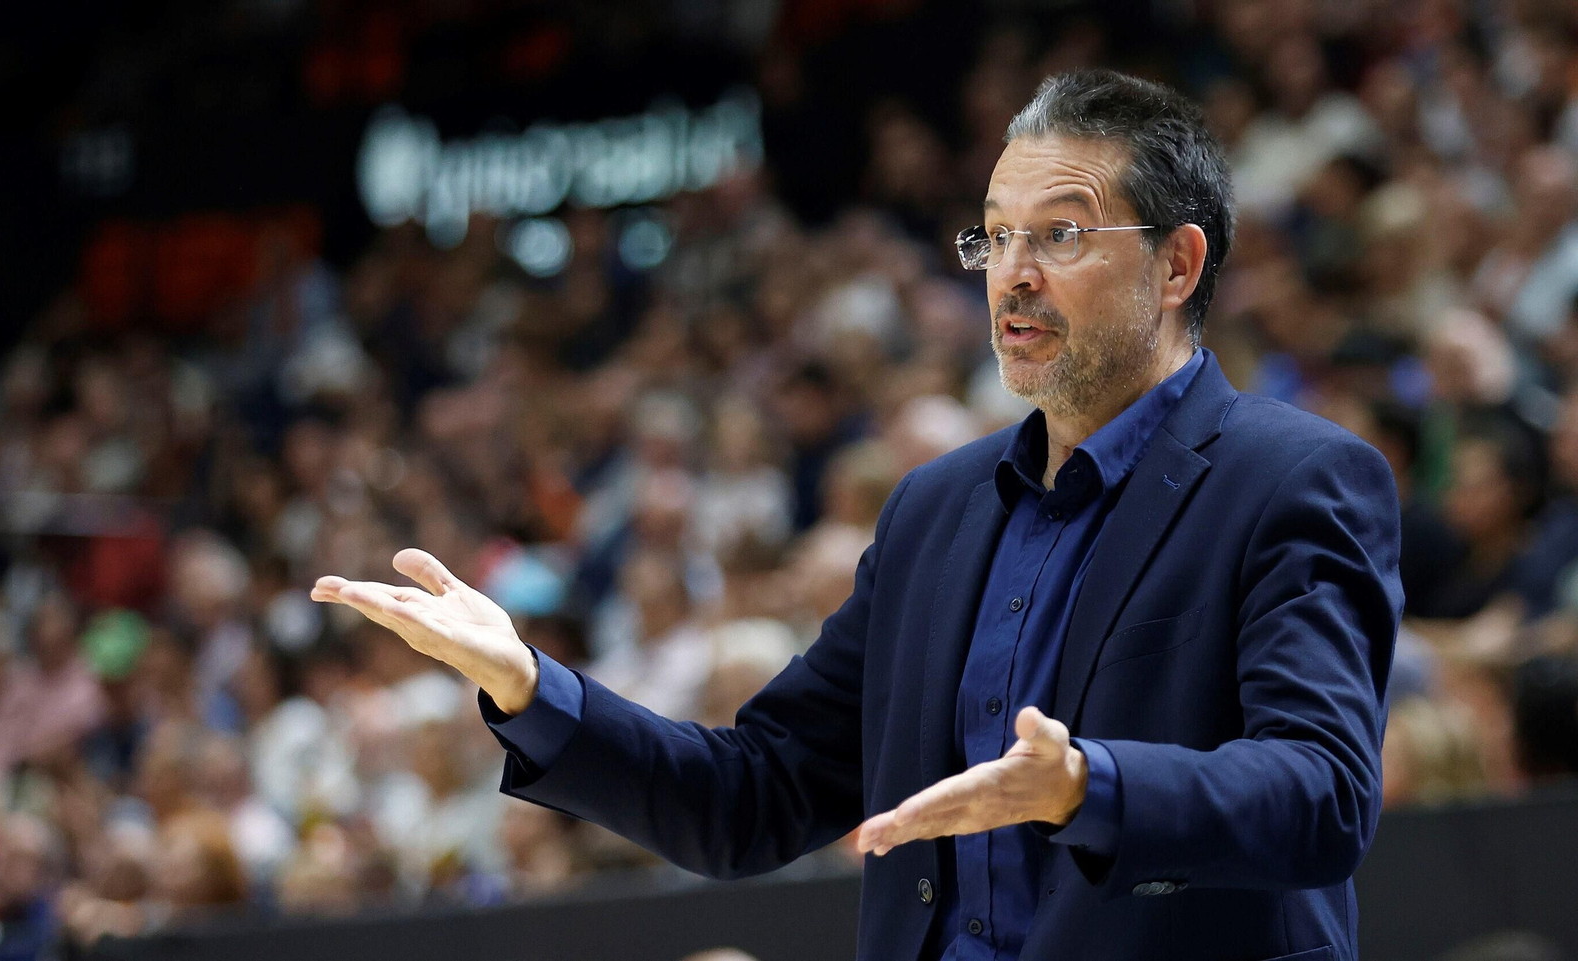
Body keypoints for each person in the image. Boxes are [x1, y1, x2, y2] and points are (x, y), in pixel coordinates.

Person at [312, 70, 1403, 961]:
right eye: (992, 237)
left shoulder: (1295, 477)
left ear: (1177, 263)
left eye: (1059, 237)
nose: (1011, 276)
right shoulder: (936, 510)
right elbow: (753, 795)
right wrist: (527, 684)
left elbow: (1321, 795)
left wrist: (1088, 783)